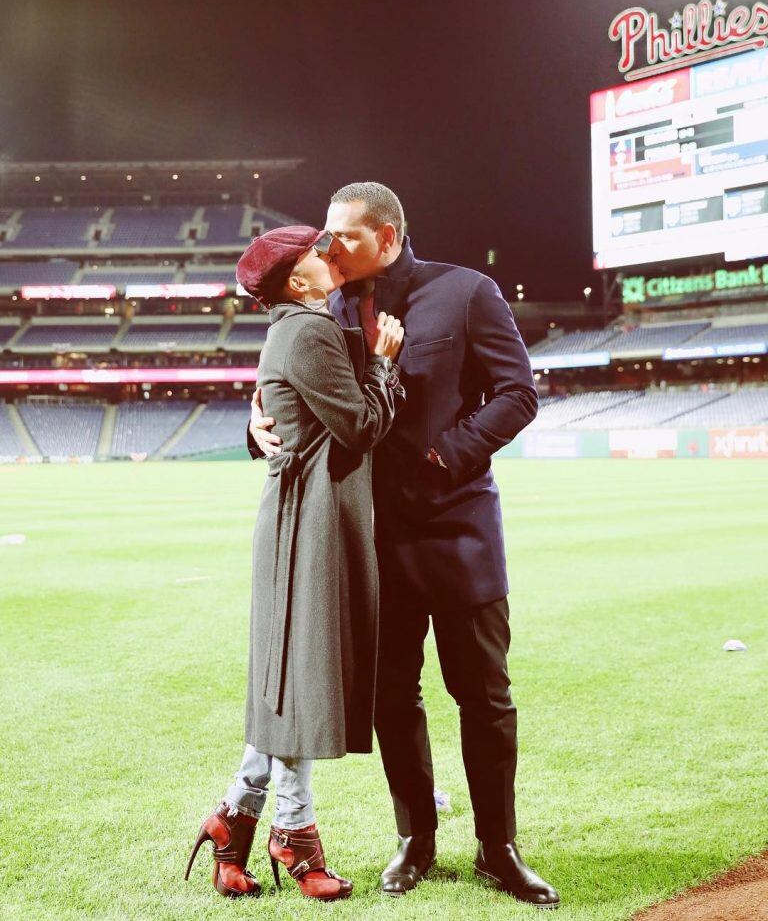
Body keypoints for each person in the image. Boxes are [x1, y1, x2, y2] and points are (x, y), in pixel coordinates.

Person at [249, 184, 560, 909]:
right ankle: (414, 840)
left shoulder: (468, 293)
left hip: (458, 531)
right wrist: (255, 424)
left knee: (484, 697)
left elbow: (518, 394)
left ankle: (499, 848)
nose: (328, 249)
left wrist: (447, 456)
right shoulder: (322, 306)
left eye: (345, 237)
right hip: (369, 539)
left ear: (387, 237)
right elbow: (292, 389)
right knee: (394, 697)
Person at [185, 224, 404, 901]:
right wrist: (383, 362)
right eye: (314, 252)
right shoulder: (307, 330)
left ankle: (234, 821)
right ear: (298, 281)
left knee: (290, 679)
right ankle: (294, 832)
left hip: (302, 519)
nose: (326, 253)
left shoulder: (297, 324)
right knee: (299, 679)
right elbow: (362, 427)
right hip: (307, 523)